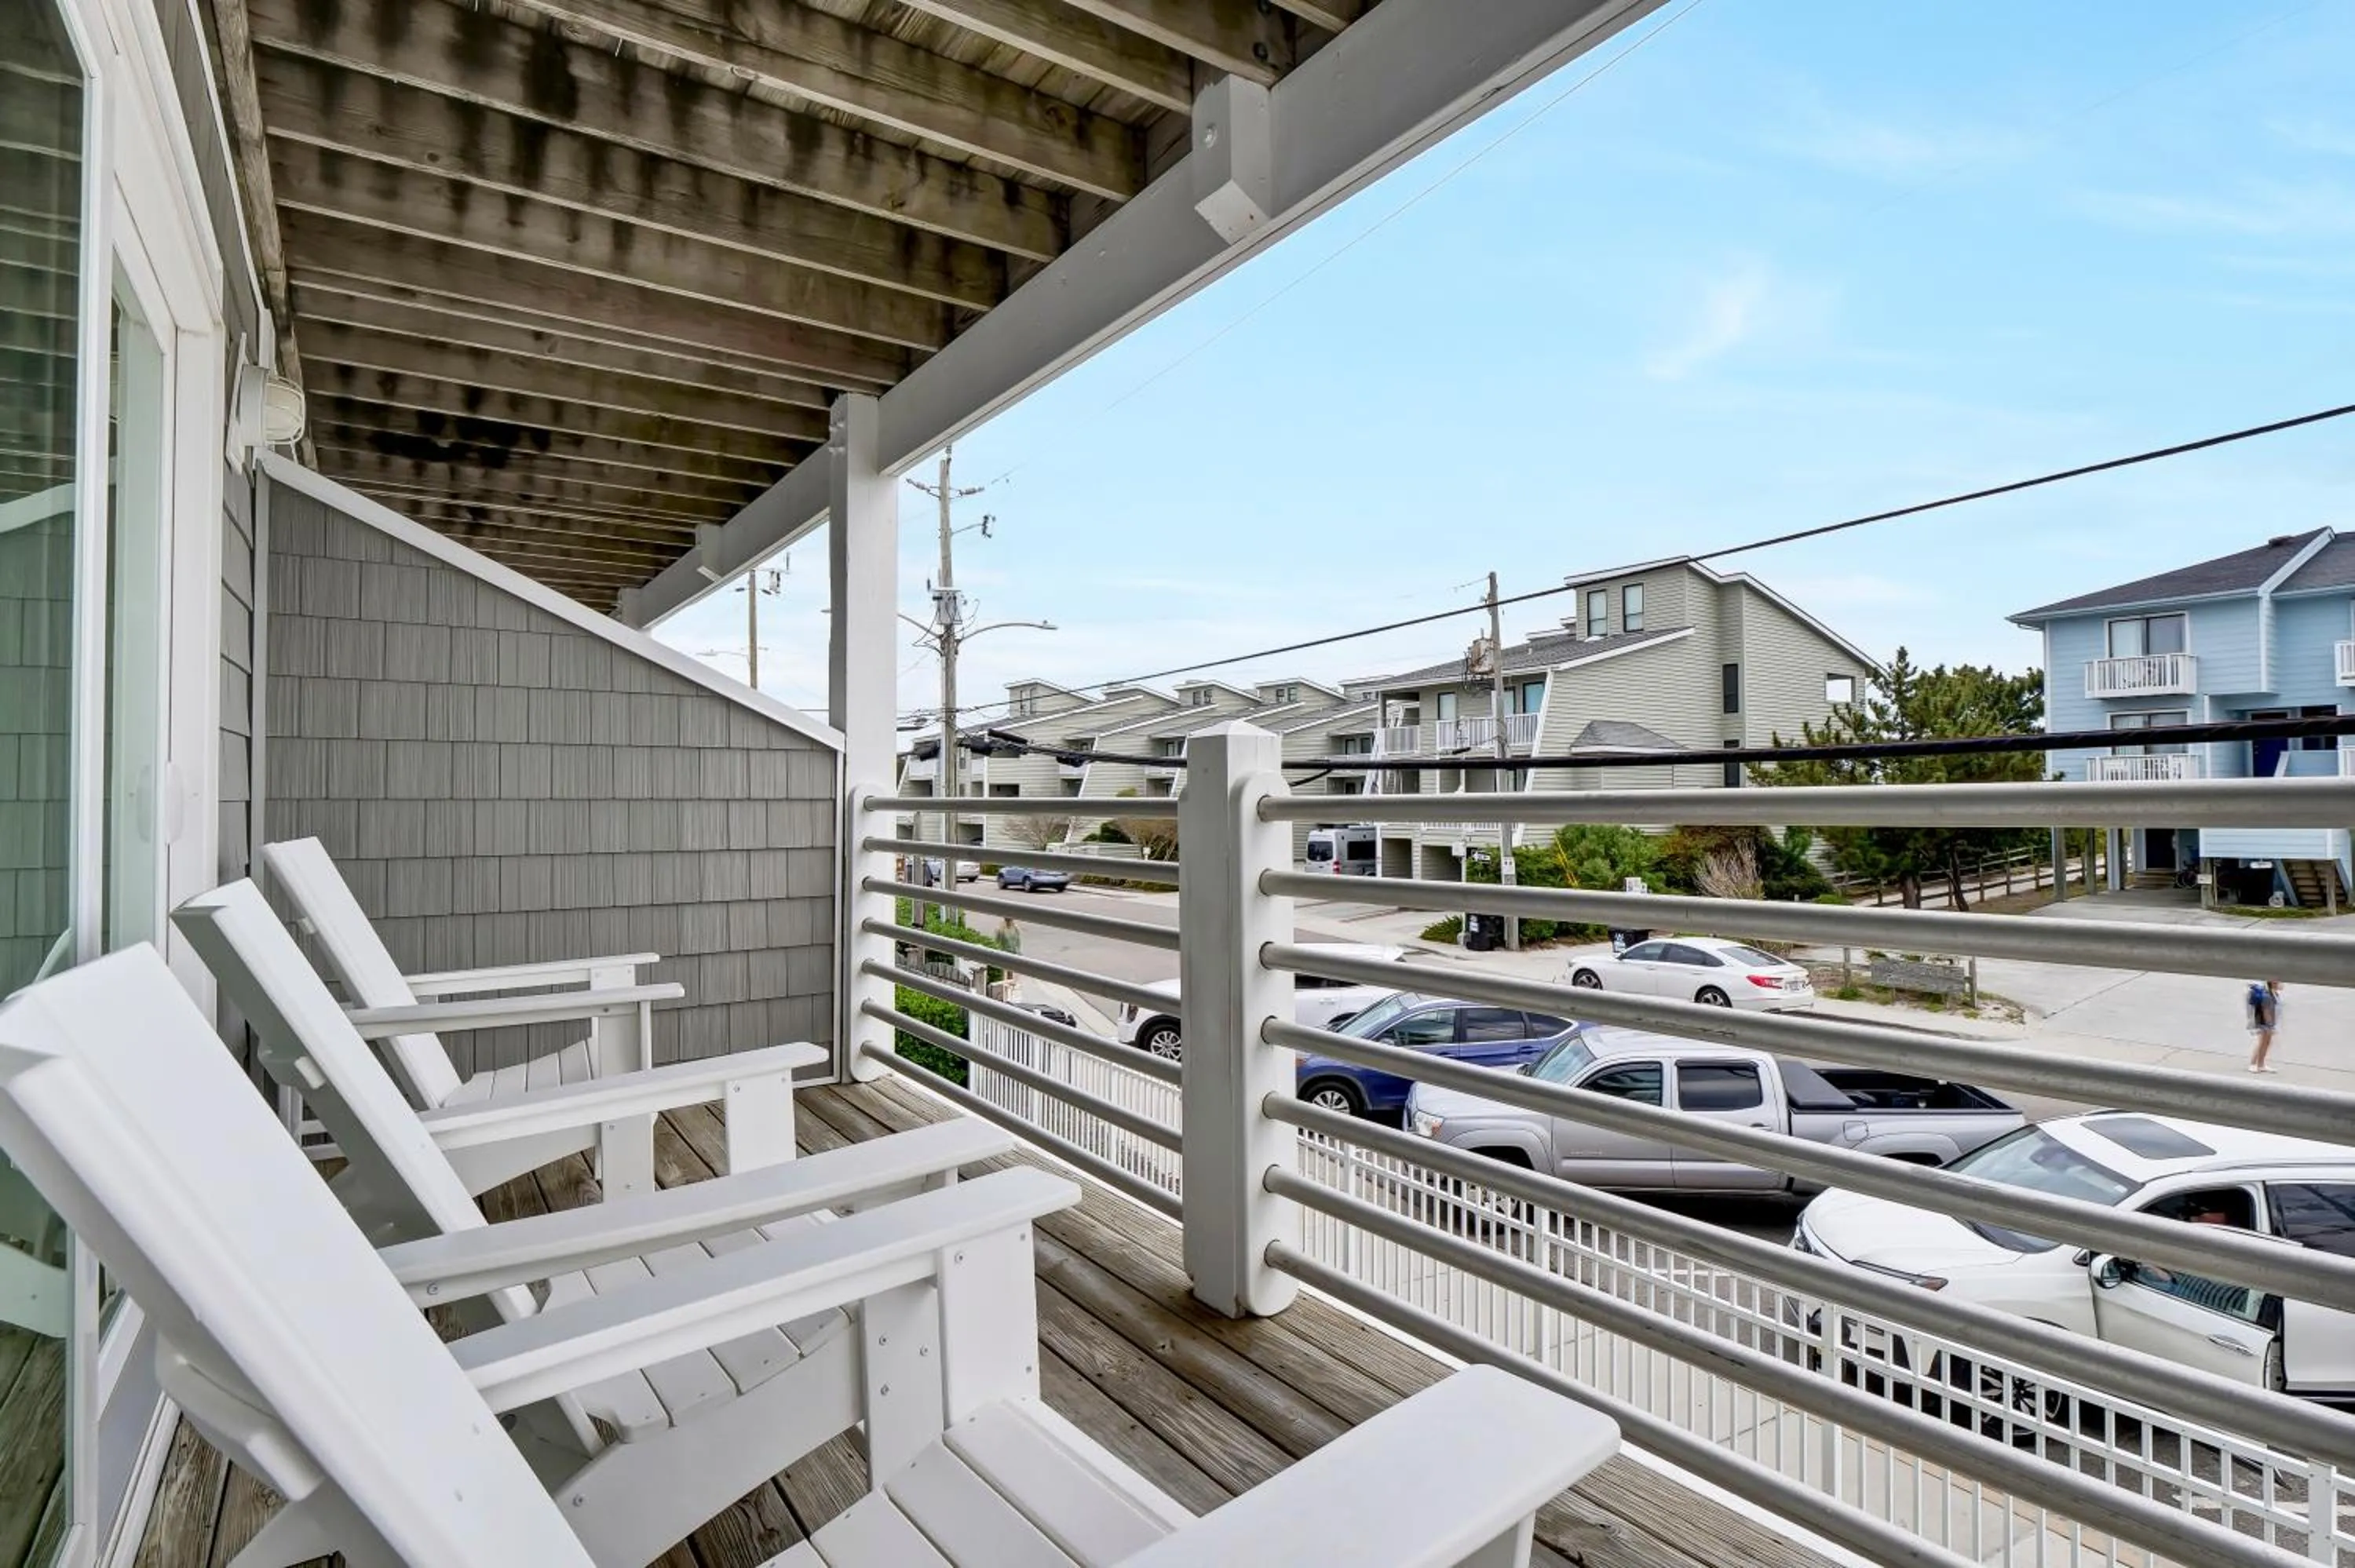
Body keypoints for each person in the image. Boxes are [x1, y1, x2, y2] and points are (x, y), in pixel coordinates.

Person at [2247, 979, 2283, 1073]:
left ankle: (2261, 1064)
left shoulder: (2274, 994)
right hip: (2265, 1023)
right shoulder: (2267, 995)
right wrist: (2270, 1026)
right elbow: (2266, 1011)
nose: (2280, 984)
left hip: (2270, 1023)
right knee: (2262, 1042)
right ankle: (2253, 1064)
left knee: (2267, 1043)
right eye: (2277, 983)